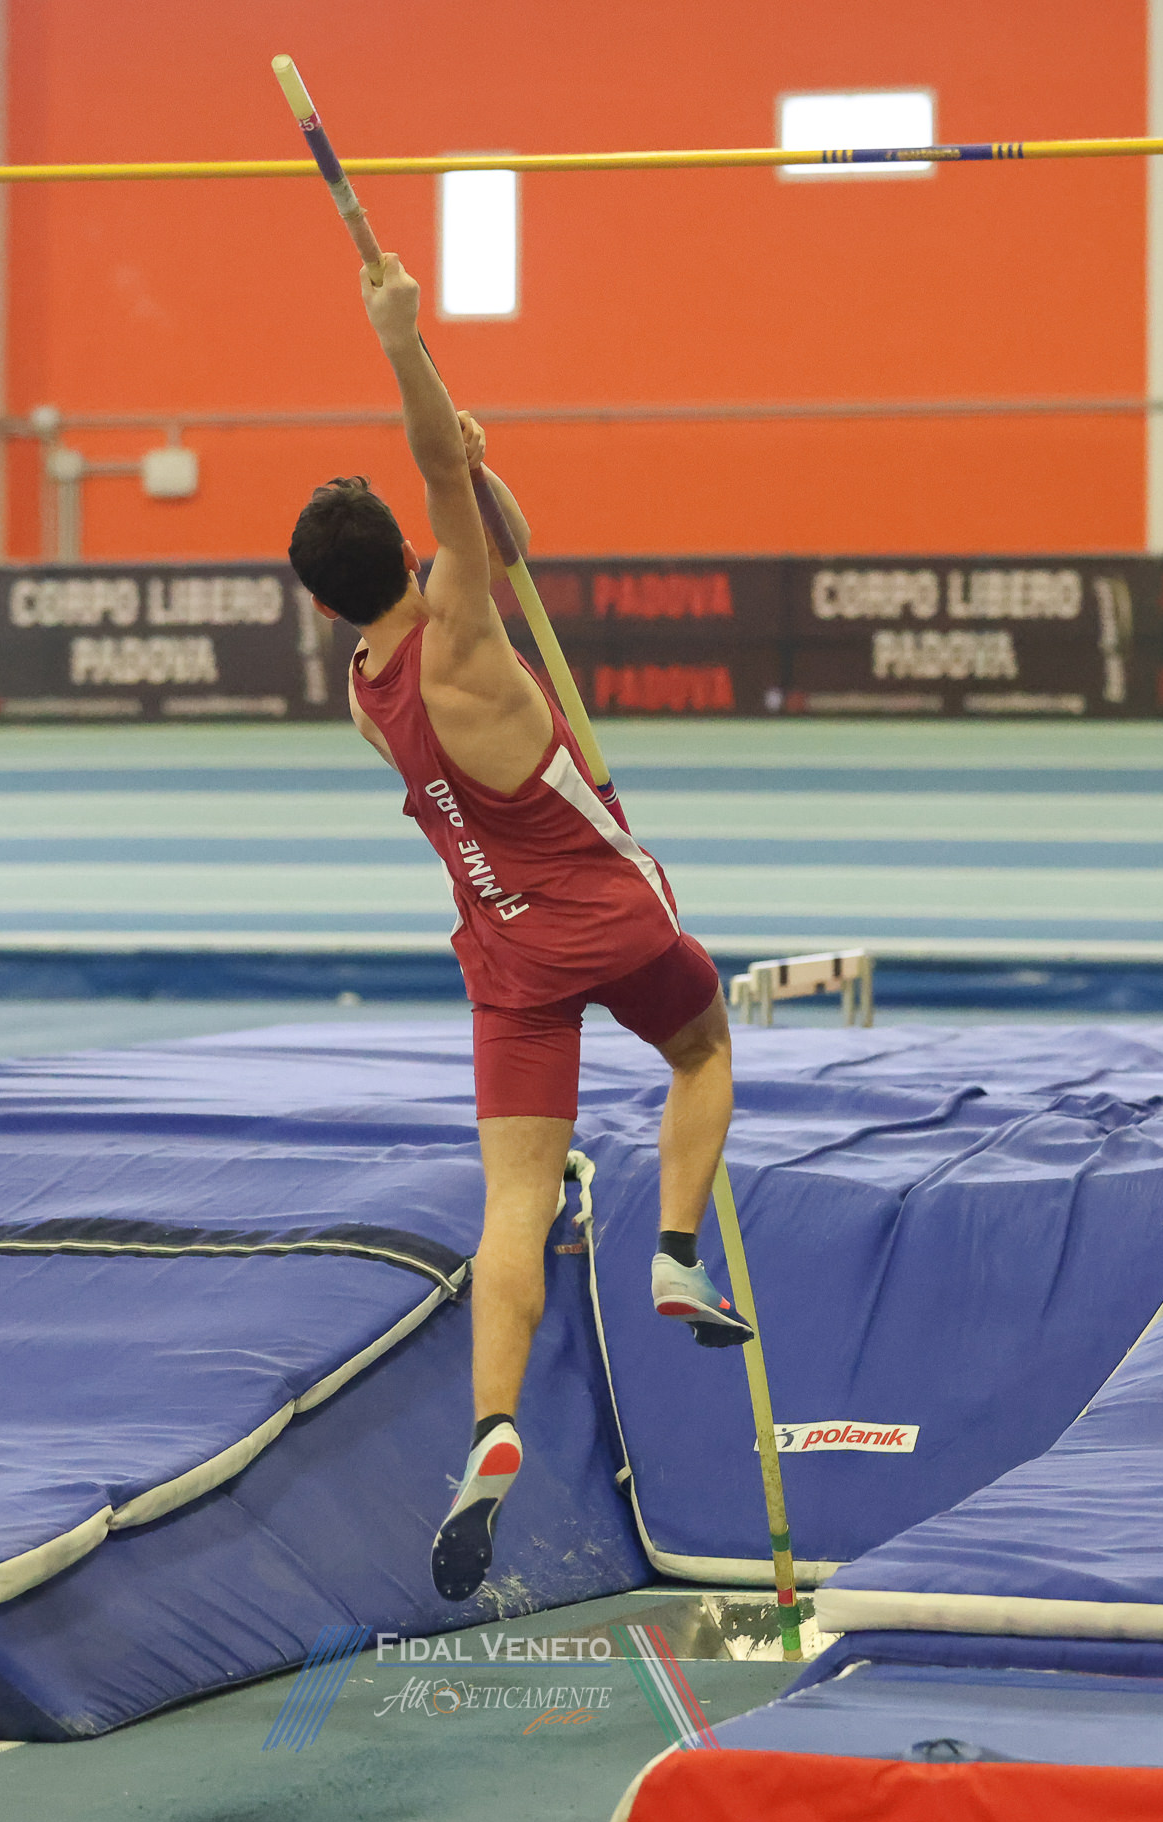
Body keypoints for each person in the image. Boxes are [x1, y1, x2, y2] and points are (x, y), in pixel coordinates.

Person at [286, 252, 751, 1604]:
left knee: (513, 1202)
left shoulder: (369, 688)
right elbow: (446, 484)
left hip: (504, 955)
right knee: (703, 1049)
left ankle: (493, 1428)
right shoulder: (463, 639)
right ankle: (675, 1253)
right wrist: (404, 343)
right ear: (411, 559)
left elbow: (495, 530)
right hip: (605, 912)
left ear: (323, 605)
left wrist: (477, 480)